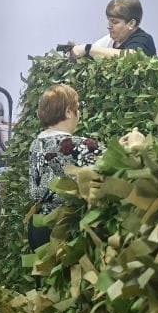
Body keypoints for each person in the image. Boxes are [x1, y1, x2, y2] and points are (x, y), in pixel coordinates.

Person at [27, 84, 104, 250]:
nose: (79, 114)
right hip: (65, 229)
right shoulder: (81, 145)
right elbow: (111, 162)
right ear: (69, 112)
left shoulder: (36, 144)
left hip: (38, 226)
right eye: (78, 108)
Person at [72, 0, 157, 60]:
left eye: (115, 22)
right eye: (109, 21)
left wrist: (88, 49)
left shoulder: (144, 40)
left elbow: (130, 57)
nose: (109, 26)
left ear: (131, 23)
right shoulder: (110, 40)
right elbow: (91, 51)